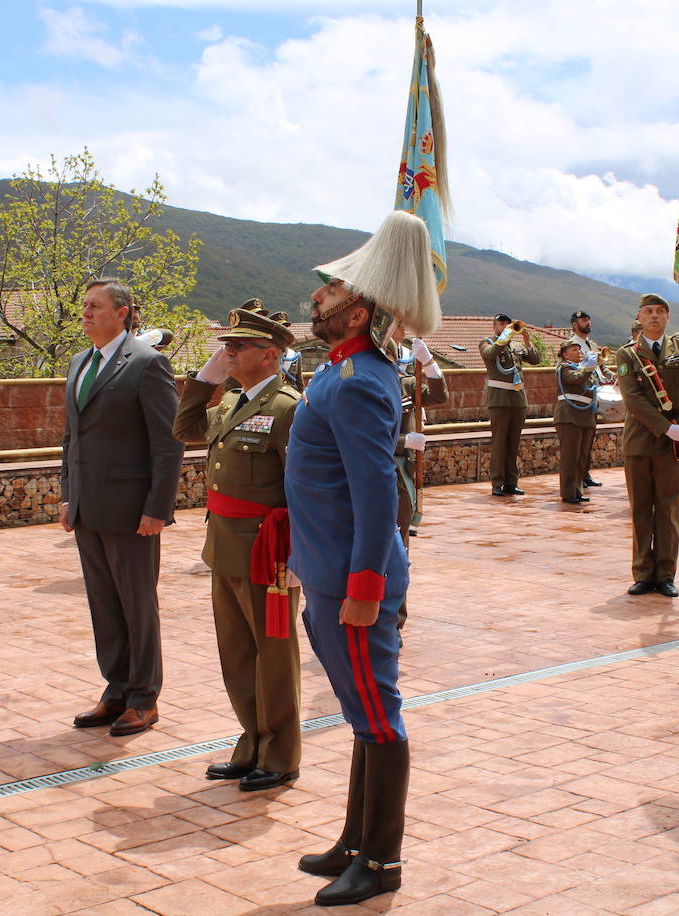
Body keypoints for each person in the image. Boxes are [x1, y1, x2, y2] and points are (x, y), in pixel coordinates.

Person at [288, 211, 439, 907]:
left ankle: (383, 861)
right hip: (328, 570)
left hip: (355, 580)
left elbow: (380, 497)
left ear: (361, 310)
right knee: (359, 711)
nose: (315, 297)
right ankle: (355, 840)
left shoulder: (356, 382)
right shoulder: (339, 372)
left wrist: (366, 586)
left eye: (331, 291)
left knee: (378, 715)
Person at [173, 300, 304, 791]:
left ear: (270, 355)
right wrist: (207, 378)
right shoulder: (231, 401)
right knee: (237, 654)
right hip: (224, 548)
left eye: (237, 346)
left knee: (273, 657)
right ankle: (251, 743)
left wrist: (300, 557)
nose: (226, 351)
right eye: (225, 345)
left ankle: (281, 754)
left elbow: (304, 487)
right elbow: (183, 428)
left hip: (268, 554)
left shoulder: (287, 409)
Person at [63, 278, 183, 736]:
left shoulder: (148, 363)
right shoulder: (79, 363)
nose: (86, 313)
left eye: (95, 306)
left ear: (123, 312)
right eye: (85, 306)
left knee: (137, 603)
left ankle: (143, 698)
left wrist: (158, 508)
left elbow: (167, 443)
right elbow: (70, 437)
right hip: (88, 506)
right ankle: (115, 690)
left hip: (133, 510)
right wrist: (68, 495)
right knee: (104, 605)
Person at [614, 293, 679, 597]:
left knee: (668, 508)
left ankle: (665, 574)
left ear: (667, 316)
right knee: (641, 511)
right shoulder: (628, 353)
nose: (654, 316)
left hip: (673, 442)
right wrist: (667, 428)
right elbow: (632, 399)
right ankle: (643, 573)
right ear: (639, 316)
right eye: (648, 311)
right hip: (641, 439)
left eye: (660, 311)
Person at [393, 328, 448, 638]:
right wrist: (403, 441)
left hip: (400, 477)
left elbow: (439, 396)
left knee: (398, 551)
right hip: (365, 475)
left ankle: (394, 622)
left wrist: (428, 364)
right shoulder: (357, 384)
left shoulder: (407, 384)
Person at [480, 313, 540, 495]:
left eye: (508, 324)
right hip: (499, 398)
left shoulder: (516, 345)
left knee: (513, 443)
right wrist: (503, 339)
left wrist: (528, 342)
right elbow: (489, 355)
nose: (505, 326)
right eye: (502, 323)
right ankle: (497, 482)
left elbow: (535, 360)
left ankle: (511, 482)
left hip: (517, 398)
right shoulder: (487, 342)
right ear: (494, 326)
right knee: (499, 443)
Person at [554, 339, 599, 504]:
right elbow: (576, 379)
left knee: (581, 456)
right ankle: (568, 492)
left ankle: (577, 490)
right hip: (569, 415)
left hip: (585, 415)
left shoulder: (584, 369)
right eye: (574, 350)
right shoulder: (564, 368)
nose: (578, 352)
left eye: (579, 349)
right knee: (570, 457)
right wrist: (589, 367)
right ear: (565, 354)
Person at [569, 310, 608, 489]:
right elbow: (571, 368)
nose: (588, 322)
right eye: (584, 320)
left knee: (589, 439)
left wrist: (611, 376)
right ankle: (576, 477)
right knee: (577, 442)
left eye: (588, 319)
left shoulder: (591, 344)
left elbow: (600, 368)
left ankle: (585, 473)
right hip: (579, 395)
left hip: (593, 394)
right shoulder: (570, 345)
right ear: (574, 324)